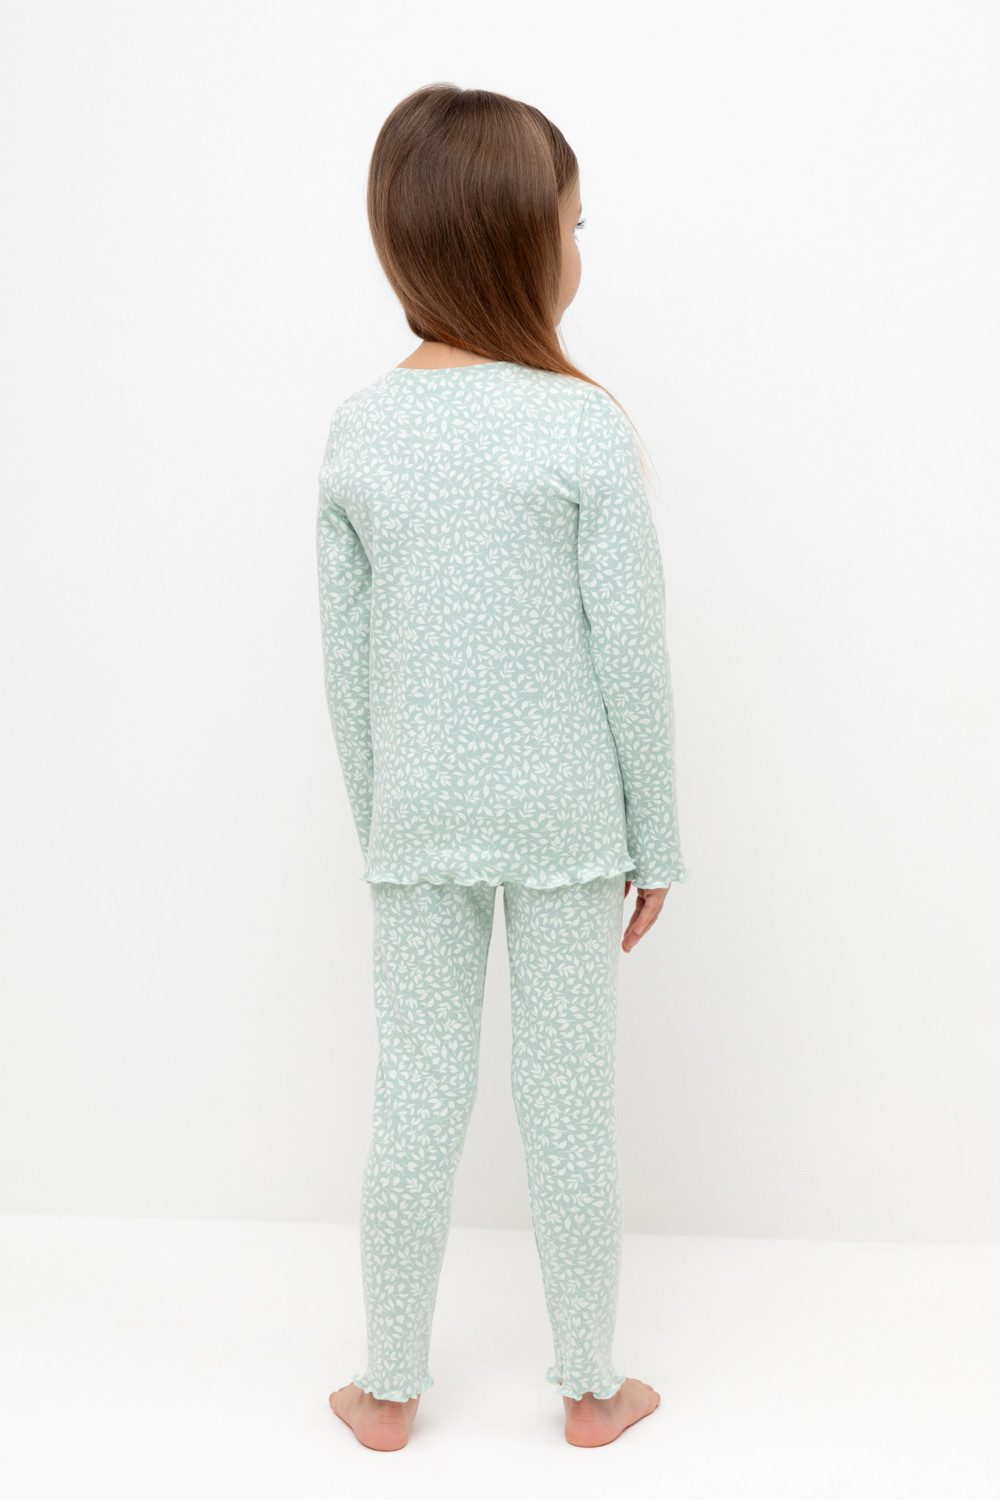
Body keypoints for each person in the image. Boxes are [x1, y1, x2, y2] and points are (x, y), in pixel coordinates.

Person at [316, 83, 691, 1451]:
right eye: (573, 225)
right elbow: (631, 653)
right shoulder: (580, 424)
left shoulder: (361, 430)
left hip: (420, 819)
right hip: (568, 820)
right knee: (568, 1102)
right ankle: (591, 1389)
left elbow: (347, 665)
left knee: (415, 1094)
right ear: (518, 239)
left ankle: (387, 1390)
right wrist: (658, 839)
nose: (580, 250)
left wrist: (385, 822)